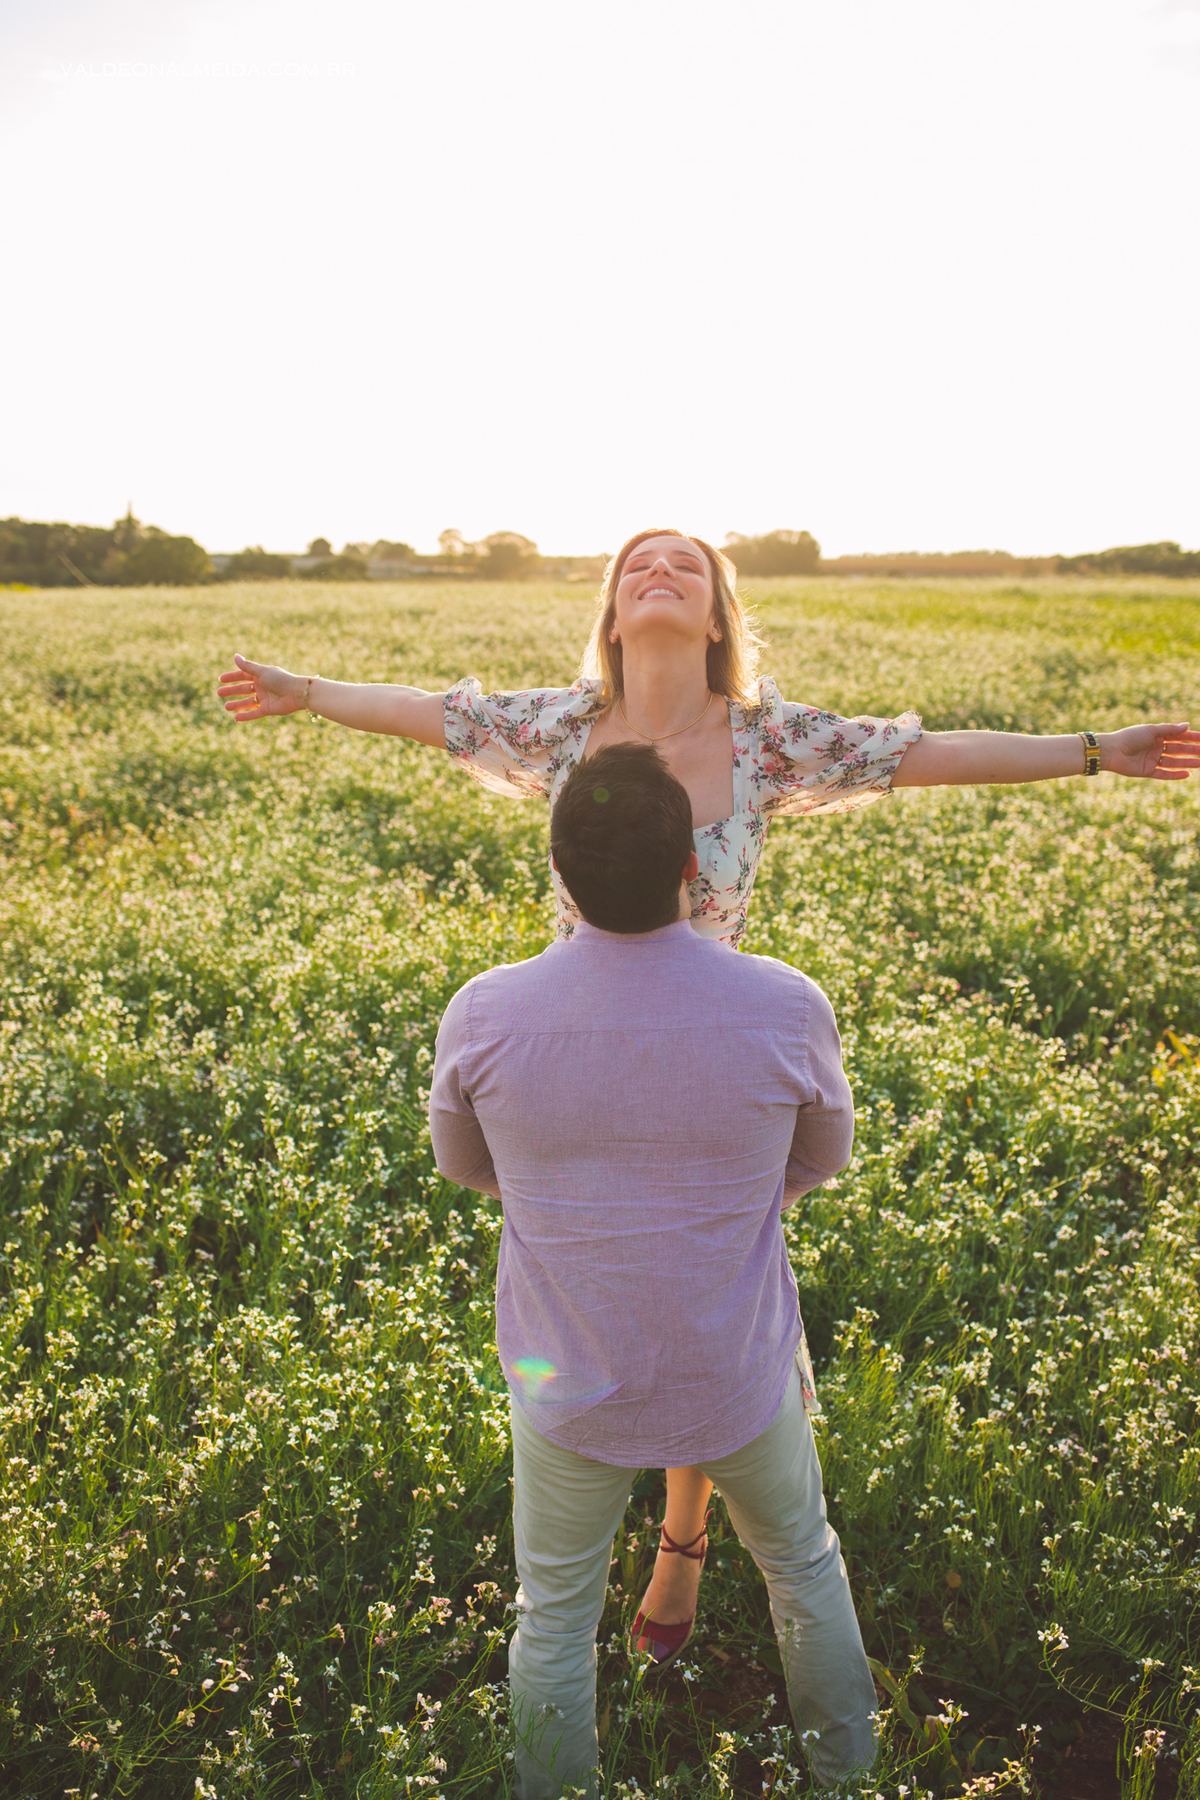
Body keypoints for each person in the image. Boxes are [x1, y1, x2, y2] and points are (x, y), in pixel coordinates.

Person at [217, 526, 1199, 1660]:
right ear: (613, 611)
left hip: (711, 1054)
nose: (659, 570)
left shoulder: (768, 740)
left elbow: (926, 753)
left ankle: (679, 1548)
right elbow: (427, 712)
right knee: (636, 1292)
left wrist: (1094, 749)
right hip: (579, 1058)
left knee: (704, 1297)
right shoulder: (562, 727)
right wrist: (303, 691)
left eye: (686, 563)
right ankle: (639, 1524)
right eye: (636, 563)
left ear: (719, 612)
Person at [429, 740, 874, 1797]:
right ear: (694, 870)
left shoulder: (484, 1010)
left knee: (554, 1616)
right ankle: (847, 1776)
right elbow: (823, 1155)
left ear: (559, 869)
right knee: (805, 1570)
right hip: (737, 1372)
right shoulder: (784, 1002)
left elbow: (466, 1166)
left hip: (567, 1380)